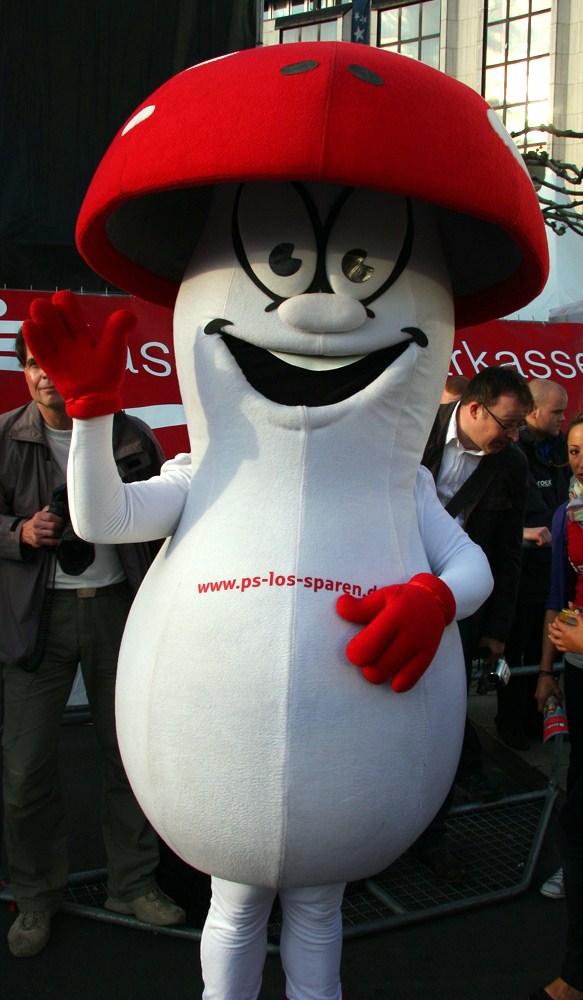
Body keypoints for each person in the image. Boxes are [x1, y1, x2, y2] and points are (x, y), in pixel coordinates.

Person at [0, 329, 185, 959]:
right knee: (24, 772)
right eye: (32, 366)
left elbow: (167, 514)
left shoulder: (131, 436)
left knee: (129, 758)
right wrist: (19, 531)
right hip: (35, 619)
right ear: (24, 373)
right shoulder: (5, 437)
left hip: (117, 613)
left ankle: (131, 883)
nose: (44, 375)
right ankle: (35, 898)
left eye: (51, 362)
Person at [413, 365, 533, 882]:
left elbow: (508, 555)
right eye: (507, 424)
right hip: (383, 587)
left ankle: (432, 838)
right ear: (476, 407)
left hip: (459, 607)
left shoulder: (512, 465)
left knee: (442, 722)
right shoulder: (413, 429)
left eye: (520, 427)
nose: (513, 436)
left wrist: (496, 630)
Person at [496, 378, 570, 751]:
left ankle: (535, 716)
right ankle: (510, 721)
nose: (563, 418)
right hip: (522, 577)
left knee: (546, 652)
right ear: (535, 411)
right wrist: (528, 533)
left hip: (554, 576)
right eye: (557, 411)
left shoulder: (559, 450)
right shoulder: (513, 453)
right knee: (516, 651)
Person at [534, 412, 583, 904]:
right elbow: (557, 597)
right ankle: (575, 871)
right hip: (576, 667)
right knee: (579, 768)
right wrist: (546, 672)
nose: (580, 462)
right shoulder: (565, 515)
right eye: (572, 451)